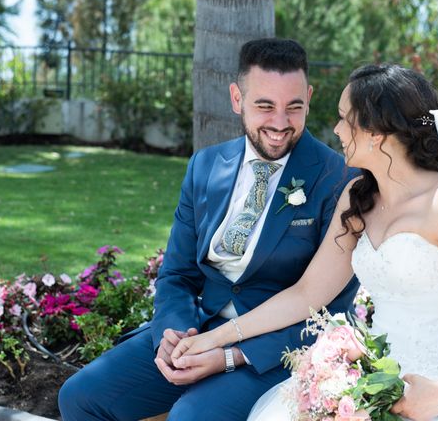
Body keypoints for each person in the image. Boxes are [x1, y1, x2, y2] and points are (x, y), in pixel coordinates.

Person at [170, 64, 438, 420]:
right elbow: (306, 294)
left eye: (345, 119)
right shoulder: (357, 198)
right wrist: (214, 338)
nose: (334, 130)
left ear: (377, 132)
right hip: (371, 379)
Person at [58, 38, 359, 420]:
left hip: (274, 350)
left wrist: (230, 357)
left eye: (294, 107)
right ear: (237, 99)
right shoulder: (205, 166)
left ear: (309, 98)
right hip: (199, 330)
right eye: (264, 106)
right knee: (80, 396)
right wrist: (174, 335)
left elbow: (331, 307)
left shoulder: (338, 179)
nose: (280, 123)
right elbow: (178, 274)